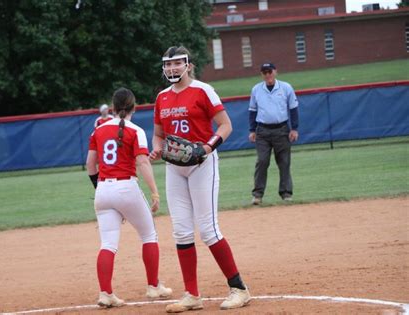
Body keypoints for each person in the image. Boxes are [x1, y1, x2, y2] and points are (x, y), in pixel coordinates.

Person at [150, 46, 251, 313]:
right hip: (175, 167)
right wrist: (157, 148)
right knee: (181, 230)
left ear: (188, 65)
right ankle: (192, 295)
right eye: (168, 64)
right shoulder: (161, 97)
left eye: (177, 63)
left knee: (208, 229)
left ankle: (239, 289)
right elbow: (158, 134)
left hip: (202, 164)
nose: (172, 68)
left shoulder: (203, 90)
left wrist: (206, 149)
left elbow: (226, 125)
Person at [86, 88, 172, 308]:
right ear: (134, 107)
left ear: (113, 108)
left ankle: (106, 293)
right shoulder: (136, 130)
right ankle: (153, 287)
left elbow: (90, 164)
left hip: (103, 189)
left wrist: (100, 187)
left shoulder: (99, 130)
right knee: (148, 234)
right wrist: (154, 191)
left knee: (107, 244)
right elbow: (142, 163)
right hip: (126, 187)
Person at [248, 63, 299, 205]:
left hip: (282, 129)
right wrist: (252, 130)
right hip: (262, 131)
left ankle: (286, 193)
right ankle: (257, 194)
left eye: (269, 71)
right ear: (261, 75)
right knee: (262, 161)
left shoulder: (286, 87)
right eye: (264, 72)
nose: (267, 75)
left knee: (284, 162)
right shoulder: (256, 89)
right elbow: (252, 111)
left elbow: (293, 108)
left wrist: (294, 129)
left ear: (275, 71)